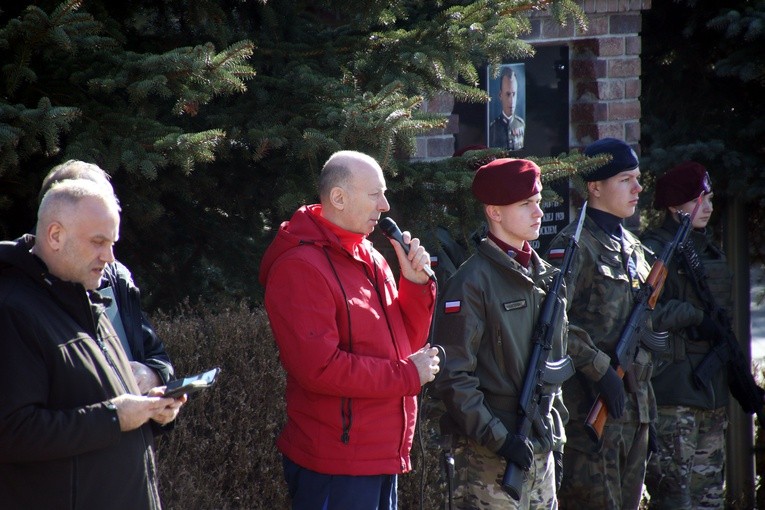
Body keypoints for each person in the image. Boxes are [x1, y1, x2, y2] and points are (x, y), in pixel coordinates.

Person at [257, 150, 440, 509]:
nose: (385, 205)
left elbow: (405, 345)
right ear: (338, 198)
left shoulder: (368, 254)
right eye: (375, 194)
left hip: (380, 455)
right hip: (336, 465)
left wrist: (416, 285)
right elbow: (319, 368)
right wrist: (406, 375)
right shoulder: (300, 266)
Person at [0, 179, 184, 509]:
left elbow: (95, 401)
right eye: (98, 242)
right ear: (55, 236)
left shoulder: (85, 298)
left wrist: (151, 411)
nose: (109, 258)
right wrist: (115, 417)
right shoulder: (12, 310)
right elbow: (12, 432)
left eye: (112, 243)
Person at [433, 158, 569, 509]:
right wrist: (500, 439)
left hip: (541, 450)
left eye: (538, 202)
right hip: (491, 459)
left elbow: (552, 370)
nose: (538, 212)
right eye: (526, 204)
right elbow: (453, 378)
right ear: (494, 211)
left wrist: (558, 439)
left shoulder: (547, 278)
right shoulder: (471, 283)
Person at [544, 138, 663, 509]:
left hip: (634, 414)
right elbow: (552, 322)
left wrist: (648, 413)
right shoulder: (575, 246)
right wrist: (601, 371)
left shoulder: (635, 248)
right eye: (626, 179)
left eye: (638, 178)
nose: (638, 188)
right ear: (595, 187)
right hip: (591, 416)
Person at [38, 160, 174, 393]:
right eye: (95, 204)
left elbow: (154, 355)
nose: (108, 257)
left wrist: (153, 376)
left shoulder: (116, 277)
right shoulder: (19, 291)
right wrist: (118, 414)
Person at [641, 162, 731, 509]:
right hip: (674, 391)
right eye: (698, 199)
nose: (707, 207)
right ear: (674, 206)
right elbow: (643, 312)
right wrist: (693, 315)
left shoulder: (709, 251)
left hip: (711, 393)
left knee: (709, 497)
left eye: (708, 198)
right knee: (674, 498)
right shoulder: (655, 249)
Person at [489, 67, 525, 150]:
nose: (512, 101)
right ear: (500, 95)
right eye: (508, 94)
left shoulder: (521, 124)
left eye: (514, 94)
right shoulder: (493, 128)